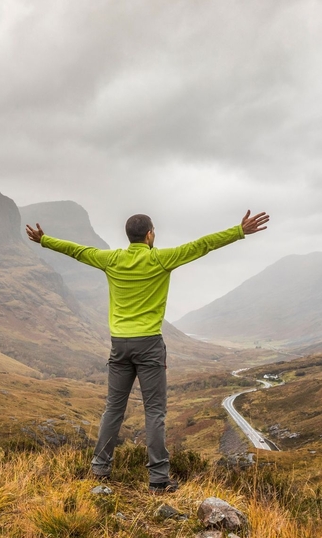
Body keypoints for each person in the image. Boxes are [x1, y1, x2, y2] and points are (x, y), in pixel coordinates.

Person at [25, 210, 270, 492]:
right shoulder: (160, 259)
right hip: (150, 345)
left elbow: (78, 251)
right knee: (154, 411)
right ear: (150, 235)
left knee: (113, 409)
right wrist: (238, 231)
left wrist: (45, 240)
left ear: (129, 236)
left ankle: (100, 469)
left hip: (119, 345)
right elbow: (202, 245)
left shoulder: (111, 259)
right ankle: (158, 479)